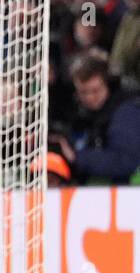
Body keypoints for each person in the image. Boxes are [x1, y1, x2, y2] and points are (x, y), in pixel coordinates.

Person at [50, 54, 140, 184]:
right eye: (83, 92)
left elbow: (126, 161)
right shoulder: (78, 112)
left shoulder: (126, 112)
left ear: (107, 84)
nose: (90, 98)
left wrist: (77, 156)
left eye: (96, 90)